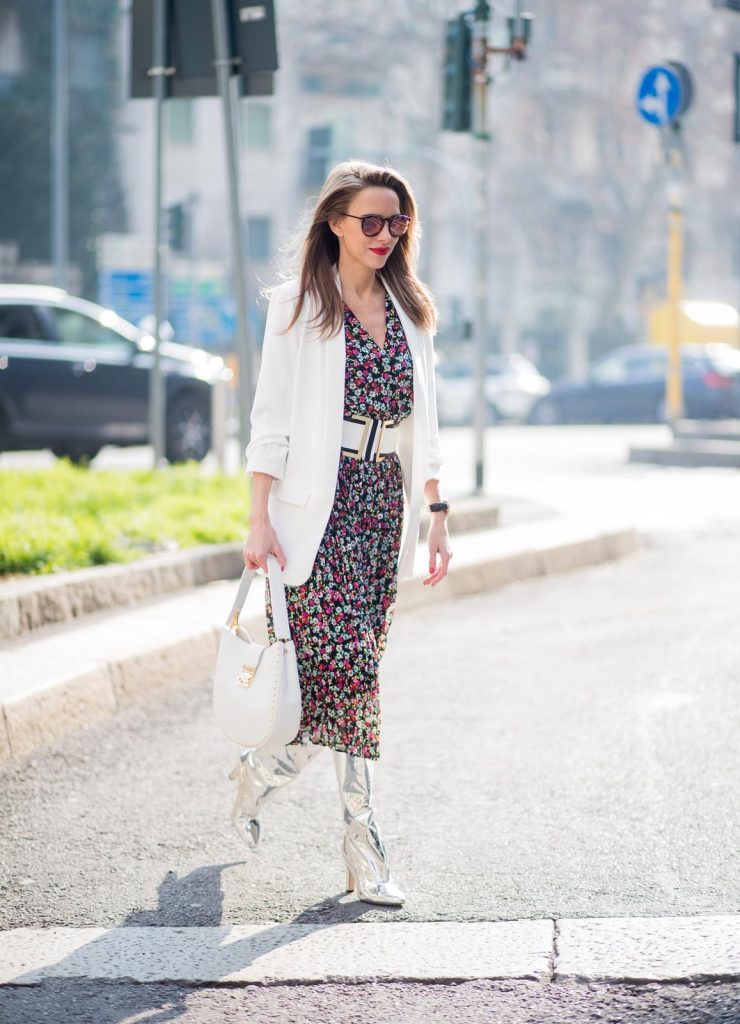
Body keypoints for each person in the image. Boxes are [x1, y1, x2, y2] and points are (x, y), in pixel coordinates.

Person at [235, 160, 452, 906]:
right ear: (336, 223)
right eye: (371, 221)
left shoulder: (411, 308)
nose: (386, 234)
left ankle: (259, 771)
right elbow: (270, 419)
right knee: (351, 681)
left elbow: (426, 420)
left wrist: (438, 513)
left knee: (342, 686)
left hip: (381, 509)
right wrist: (258, 518)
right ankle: (365, 854)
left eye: (398, 222)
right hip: (313, 516)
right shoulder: (298, 305)